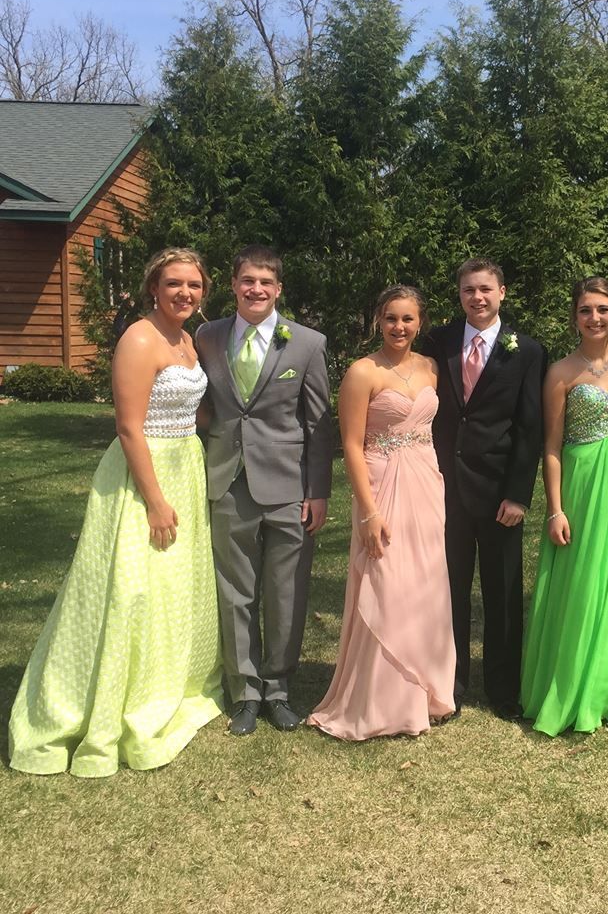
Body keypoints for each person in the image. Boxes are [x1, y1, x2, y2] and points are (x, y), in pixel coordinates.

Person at [8, 248, 223, 777]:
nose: (185, 293)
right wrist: (155, 500)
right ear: (154, 287)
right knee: (131, 588)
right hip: (143, 472)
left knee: (172, 585)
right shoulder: (139, 339)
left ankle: (164, 680)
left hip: (186, 465)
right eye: (174, 283)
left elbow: (195, 409)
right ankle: (107, 701)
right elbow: (128, 427)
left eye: (194, 285)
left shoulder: (189, 339)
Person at [195, 245, 334, 736]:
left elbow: (318, 424)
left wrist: (318, 491)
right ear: (234, 284)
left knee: (285, 591)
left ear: (279, 289)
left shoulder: (307, 343)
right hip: (228, 479)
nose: (256, 289)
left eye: (265, 282)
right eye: (248, 280)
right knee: (235, 591)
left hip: (289, 486)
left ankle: (278, 689)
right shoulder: (207, 336)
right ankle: (245, 693)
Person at [307, 286, 456, 739]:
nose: (399, 327)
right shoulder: (362, 372)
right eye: (391, 318)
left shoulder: (431, 368)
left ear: (420, 322)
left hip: (426, 482)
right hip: (381, 483)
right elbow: (351, 445)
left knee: (424, 584)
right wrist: (368, 512)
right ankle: (381, 699)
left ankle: (424, 691)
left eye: (408, 319)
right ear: (379, 320)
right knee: (385, 580)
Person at [520, 278, 608, 736]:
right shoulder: (560, 372)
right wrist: (555, 509)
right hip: (581, 485)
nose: (594, 318)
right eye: (585, 310)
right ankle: (575, 681)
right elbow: (551, 446)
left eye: (602, 309)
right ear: (574, 317)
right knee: (582, 582)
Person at [422, 258, 545, 720]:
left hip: (499, 494)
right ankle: (450, 684)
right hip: (444, 488)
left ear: (502, 292)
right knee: (448, 590)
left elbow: (529, 427)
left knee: (503, 593)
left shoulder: (527, 351)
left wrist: (518, 494)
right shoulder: (438, 342)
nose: (477, 297)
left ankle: (503, 688)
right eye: (468, 290)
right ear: (460, 295)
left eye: (485, 289)